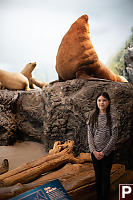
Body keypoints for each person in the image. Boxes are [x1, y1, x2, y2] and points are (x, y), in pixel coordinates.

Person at [87, 92, 118, 200]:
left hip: (108, 153)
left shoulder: (112, 118)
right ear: (96, 102)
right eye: (99, 100)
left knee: (106, 177)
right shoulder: (92, 117)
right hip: (95, 153)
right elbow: (90, 135)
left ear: (108, 102)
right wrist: (93, 151)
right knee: (98, 177)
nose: (101, 102)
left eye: (104, 100)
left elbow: (114, 137)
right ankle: (99, 197)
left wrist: (104, 152)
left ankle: (106, 197)